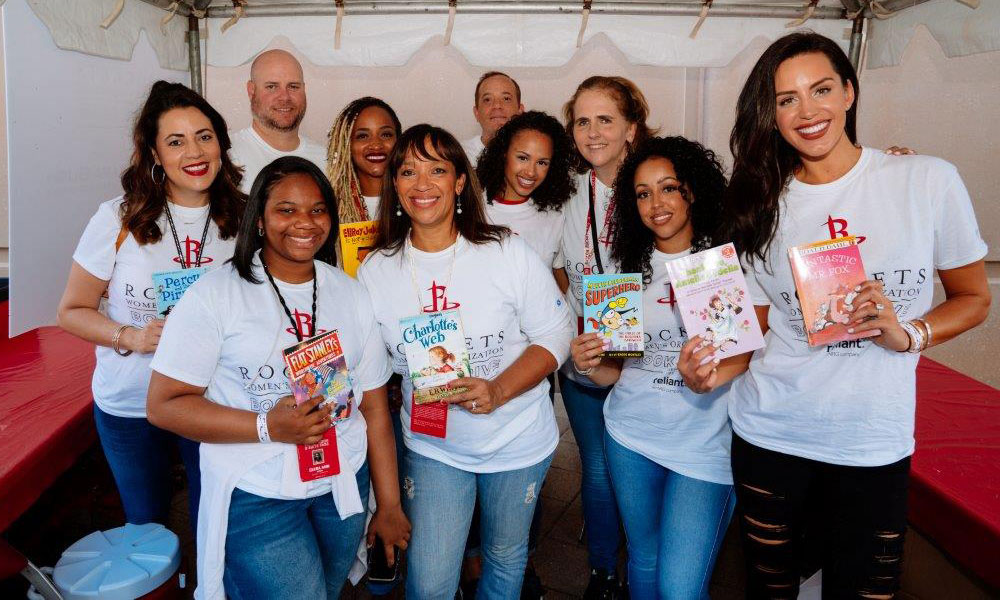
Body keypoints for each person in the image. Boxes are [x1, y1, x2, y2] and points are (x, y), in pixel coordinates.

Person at [679, 31, 990, 598]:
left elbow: (973, 297)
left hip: (872, 442)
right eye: (786, 99)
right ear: (770, 116)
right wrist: (707, 371)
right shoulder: (758, 204)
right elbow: (752, 328)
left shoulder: (925, 180)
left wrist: (910, 333)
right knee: (771, 588)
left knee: (867, 590)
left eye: (821, 89)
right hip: (771, 434)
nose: (807, 111)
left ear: (849, 91)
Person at [147, 156, 410, 600]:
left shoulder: (348, 292)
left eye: (317, 209)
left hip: (342, 478)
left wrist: (389, 504)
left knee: (326, 590)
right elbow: (164, 405)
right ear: (261, 220)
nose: (304, 222)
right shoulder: (215, 296)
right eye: (286, 209)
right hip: (257, 488)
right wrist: (267, 426)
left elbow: (373, 406)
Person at [357, 124, 574, 599]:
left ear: (459, 182)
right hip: (435, 445)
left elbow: (557, 332)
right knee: (431, 581)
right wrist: (387, 501)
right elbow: (372, 385)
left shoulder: (504, 251)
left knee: (504, 560)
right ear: (394, 185)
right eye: (408, 171)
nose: (422, 183)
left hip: (517, 437)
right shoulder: (376, 271)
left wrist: (498, 389)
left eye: (438, 169)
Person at [57, 80, 244, 531]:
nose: (194, 152)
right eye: (175, 141)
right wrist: (133, 337)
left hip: (209, 400)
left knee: (214, 519)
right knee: (147, 526)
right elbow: (72, 311)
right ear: (155, 155)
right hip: (129, 402)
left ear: (220, 142)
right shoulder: (118, 218)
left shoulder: (243, 217)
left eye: (204, 136)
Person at [571, 136, 736, 599]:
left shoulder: (723, 262)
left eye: (668, 188)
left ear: (693, 191)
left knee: (680, 587)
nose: (656, 204)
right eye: (643, 193)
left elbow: (741, 358)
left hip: (705, 444)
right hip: (631, 435)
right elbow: (617, 373)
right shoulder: (626, 269)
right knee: (642, 559)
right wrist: (590, 365)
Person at [559, 75, 656, 598]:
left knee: (635, 473)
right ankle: (603, 570)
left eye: (606, 119)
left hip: (654, 366)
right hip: (591, 361)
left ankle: (641, 553)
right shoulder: (566, 196)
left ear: (631, 128)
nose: (593, 132)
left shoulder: (662, 188)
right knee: (597, 470)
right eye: (582, 120)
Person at [477, 110, 576, 290]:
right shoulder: (474, 207)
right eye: (523, 158)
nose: (531, 172)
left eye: (542, 162)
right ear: (504, 153)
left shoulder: (556, 215)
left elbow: (557, 275)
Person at [229, 49, 327, 192]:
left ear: (304, 90)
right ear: (251, 91)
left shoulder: (326, 160)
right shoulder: (228, 156)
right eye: (272, 87)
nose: (284, 97)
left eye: (293, 86)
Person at [326, 96, 403, 224]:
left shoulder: (415, 200)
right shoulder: (330, 208)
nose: (376, 145)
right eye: (362, 136)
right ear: (346, 145)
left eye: (386, 134)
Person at [462, 71, 525, 165]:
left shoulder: (536, 154)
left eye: (506, 98)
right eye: (487, 99)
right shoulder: (459, 155)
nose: (497, 105)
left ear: (520, 111)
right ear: (476, 113)